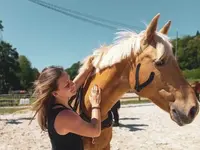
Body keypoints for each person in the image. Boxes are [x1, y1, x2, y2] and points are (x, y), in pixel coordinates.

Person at [30, 57, 102, 150]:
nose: (72, 84)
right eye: (67, 84)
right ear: (55, 93)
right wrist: (96, 105)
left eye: (70, 79)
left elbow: (75, 84)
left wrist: (88, 69)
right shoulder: (65, 116)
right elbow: (95, 131)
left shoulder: (57, 102)